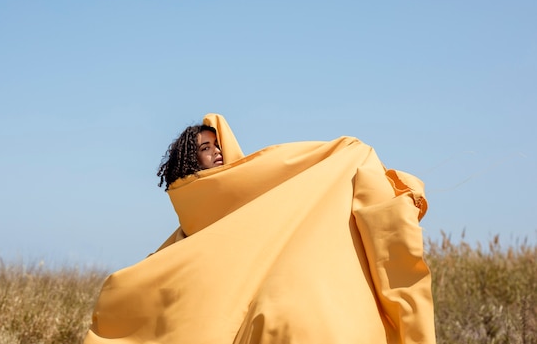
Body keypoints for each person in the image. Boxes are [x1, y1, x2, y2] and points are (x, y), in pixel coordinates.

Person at [83, 113, 437, 344]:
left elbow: (289, 173)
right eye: (205, 149)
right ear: (190, 161)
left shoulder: (255, 193)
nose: (217, 152)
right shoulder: (189, 231)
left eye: (218, 144)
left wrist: (346, 155)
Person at [157, 124, 223, 191]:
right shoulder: (187, 195)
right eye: (205, 148)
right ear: (193, 158)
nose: (217, 151)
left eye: (217, 145)